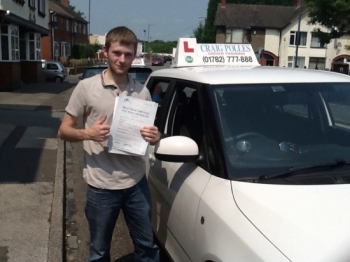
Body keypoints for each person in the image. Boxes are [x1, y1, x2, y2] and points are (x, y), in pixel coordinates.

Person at [58, 26, 161, 262]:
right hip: (101, 185)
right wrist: (89, 134)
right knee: (99, 251)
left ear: (135, 54)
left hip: (136, 182)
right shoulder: (86, 88)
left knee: (147, 247)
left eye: (128, 54)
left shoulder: (141, 92)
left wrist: (155, 136)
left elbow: (147, 135)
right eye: (116, 53)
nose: (122, 59)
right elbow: (63, 130)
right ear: (105, 52)